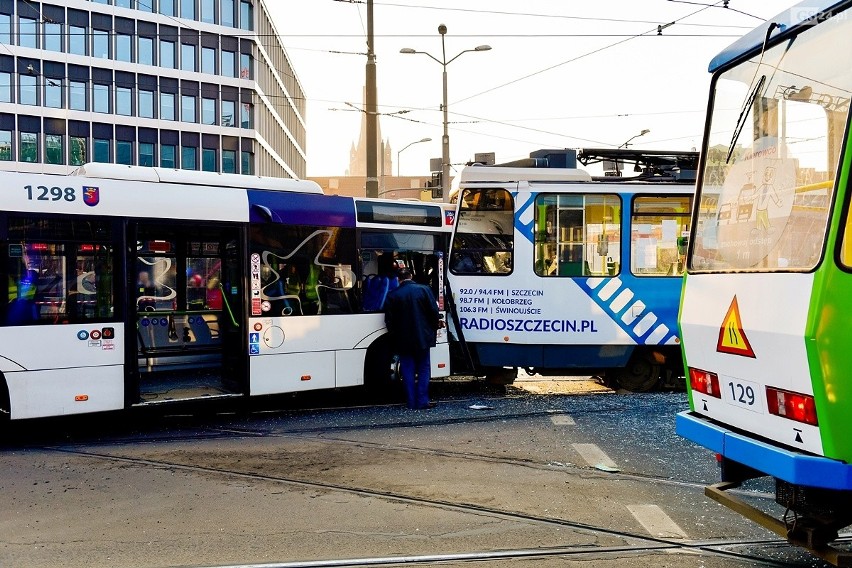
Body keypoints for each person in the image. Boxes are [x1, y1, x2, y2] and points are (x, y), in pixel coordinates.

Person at [384, 268, 441, 409]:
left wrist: (394, 336)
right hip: (423, 337)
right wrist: (434, 328)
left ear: (398, 279)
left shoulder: (393, 295)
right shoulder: (424, 289)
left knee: (407, 369)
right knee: (423, 368)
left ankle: (410, 401)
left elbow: (389, 321)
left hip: (403, 339)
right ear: (411, 276)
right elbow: (434, 312)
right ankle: (422, 401)